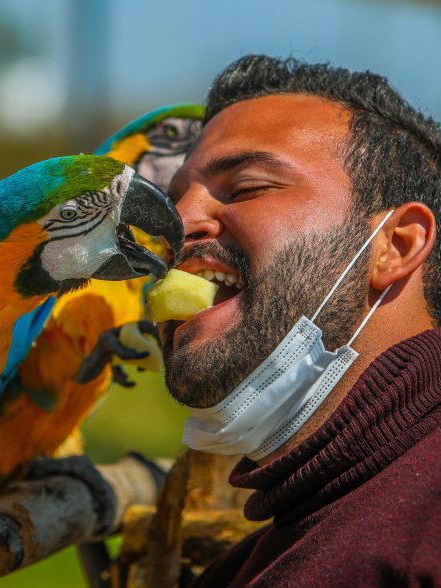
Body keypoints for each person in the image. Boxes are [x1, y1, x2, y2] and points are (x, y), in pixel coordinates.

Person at [159, 55, 440, 586]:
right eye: (171, 202)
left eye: (246, 188)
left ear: (395, 246)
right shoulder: (246, 566)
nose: (176, 227)